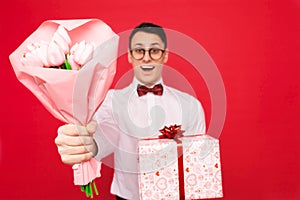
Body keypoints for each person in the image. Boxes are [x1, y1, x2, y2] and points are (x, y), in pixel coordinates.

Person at [55, 22, 206, 200]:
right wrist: (82, 144)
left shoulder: (190, 105)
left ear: (164, 56)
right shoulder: (110, 101)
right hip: (127, 197)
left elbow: (198, 159)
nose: (147, 58)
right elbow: (101, 140)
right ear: (130, 56)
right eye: (139, 51)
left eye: (155, 50)